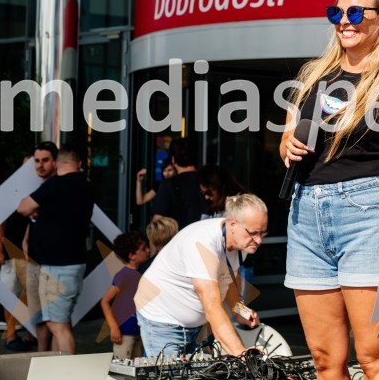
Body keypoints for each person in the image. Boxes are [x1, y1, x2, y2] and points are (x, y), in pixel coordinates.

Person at [280, 0, 379, 379]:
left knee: (374, 358)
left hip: (370, 220)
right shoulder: (312, 77)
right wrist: (286, 144)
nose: (344, 20)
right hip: (305, 219)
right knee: (325, 359)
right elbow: (286, 137)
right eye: (337, 12)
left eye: (356, 12)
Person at [134, 194, 266, 357]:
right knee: (169, 371)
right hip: (162, 320)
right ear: (233, 224)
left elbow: (228, 280)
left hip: (196, 325)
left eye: (262, 233)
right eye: (253, 233)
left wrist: (240, 311)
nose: (258, 240)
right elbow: (212, 307)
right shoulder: (202, 244)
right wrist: (241, 354)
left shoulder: (240, 240)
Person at [17, 144, 95, 355]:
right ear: (79, 163)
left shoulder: (54, 185)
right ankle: (56, 366)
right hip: (76, 262)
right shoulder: (87, 187)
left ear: (57, 164)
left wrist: (36, 209)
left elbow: (23, 207)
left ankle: (68, 368)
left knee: (57, 326)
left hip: (56, 267)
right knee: (62, 320)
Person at [0, 159, 33, 351]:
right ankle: (11, 334)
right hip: (10, 252)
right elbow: (0, 221)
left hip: (31, 252)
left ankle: (30, 333)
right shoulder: (12, 191)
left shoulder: (39, 189)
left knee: (30, 295)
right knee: (10, 294)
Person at [22, 141, 59, 352]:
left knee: (55, 319)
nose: (40, 165)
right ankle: (41, 357)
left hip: (55, 264)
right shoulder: (37, 189)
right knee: (38, 317)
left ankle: (53, 361)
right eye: (36, 161)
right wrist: (26, 240)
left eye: (45, 160)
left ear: (55, 162)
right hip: (35, 261)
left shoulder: (60, 187)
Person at [101, 232, 149, 359]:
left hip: (140, 332)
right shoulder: (123, 275)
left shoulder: (142, 272)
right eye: (143, 248)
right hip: (124, 334)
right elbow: (105, 301)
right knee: (123, 367)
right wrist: (114, 327)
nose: (148, 250)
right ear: (131, 256)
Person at [150, 138, 206, 229]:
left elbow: (157, 224)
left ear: (173, 160)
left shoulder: (168, 185)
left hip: (178, 236)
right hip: (206, 235)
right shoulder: (207, 181)